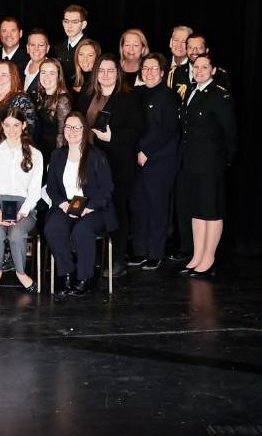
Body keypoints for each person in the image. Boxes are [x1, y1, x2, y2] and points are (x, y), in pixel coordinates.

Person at [78, 54, 144, 278]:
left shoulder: (128, 97)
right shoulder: (87, 96)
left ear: (118, 74)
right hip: (90, 162)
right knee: (91, 206)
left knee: (116, 209)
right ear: (96, 74)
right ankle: (93, 257)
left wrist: (112, 138)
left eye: (111, 71)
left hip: (119, 162)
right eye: (102, 71)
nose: (106, 76)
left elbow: (136, 129)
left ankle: (117, 260)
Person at [43, 112, 117, 297]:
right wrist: (62, 205)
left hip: (94, 208)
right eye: (68, 126)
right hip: (67, 205)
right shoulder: (57, 155)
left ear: (84, 130)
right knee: (53, 227)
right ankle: (66, 273)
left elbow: (107, 188)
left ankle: (85, 277)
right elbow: (51, 188)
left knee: (82, 230)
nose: (72, 131)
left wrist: (88, 208)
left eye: (77, 127)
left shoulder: (96, 155)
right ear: (64, 130)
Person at [176, 54, 236, 279]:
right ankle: (197, 256)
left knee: (211, 210)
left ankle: (208, 259)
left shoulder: (220, 96)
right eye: (196, 67)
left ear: (213, 70)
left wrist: (224, 161)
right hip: (191, 161)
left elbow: (230, 134)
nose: (199, 71)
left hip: (211, 163)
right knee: (196, 209)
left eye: (204, 67)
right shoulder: (192, 91)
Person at [0, 107, 43, 292]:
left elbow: (34, 191)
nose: (12, 129)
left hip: (24, 207)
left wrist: (23, 212)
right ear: (2, 126)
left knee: (16, 234)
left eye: (16, 125)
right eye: (7, 125)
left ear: (23, 125)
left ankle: (21, 272)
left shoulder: (35, 154)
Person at [127, 53, 179, 271]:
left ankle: (155, 253)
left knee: (157, 206)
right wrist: (136, 150)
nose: (148, 72)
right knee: (138, 205)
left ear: (162, 72)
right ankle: (140, 251)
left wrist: (145, 151)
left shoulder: (169, 96)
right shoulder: (135, 93)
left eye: (153, 68)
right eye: (145, 68)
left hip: (159, 160)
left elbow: (167, 129)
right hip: (136, 157)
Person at [32, 58, 72, 161]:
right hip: (38, 151)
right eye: (43, 72)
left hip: (53, 154)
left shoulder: (63, 100)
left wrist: (56, 160)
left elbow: (62, 134)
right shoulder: (41, 94)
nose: (47, 77)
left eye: (52, 73)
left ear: (59, 76)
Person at [53, 5, 90, 89]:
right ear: (63, 23)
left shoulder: (90, 47)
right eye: (66, 21)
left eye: (74, 22)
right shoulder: (58, 47)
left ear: (83, 25)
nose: (69, 26)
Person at [165, 25, 193, 92]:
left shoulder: (194, 69)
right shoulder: (162, 65)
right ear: (170, 42)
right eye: (176, 40)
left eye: (184, 42)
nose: (179, 45)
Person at [23, 29, 50, 96]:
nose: (36, 49)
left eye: (41, 45)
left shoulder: (53, 71)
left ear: (47, 48)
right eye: (32, 45)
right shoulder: (20, 67)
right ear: (27, 48)